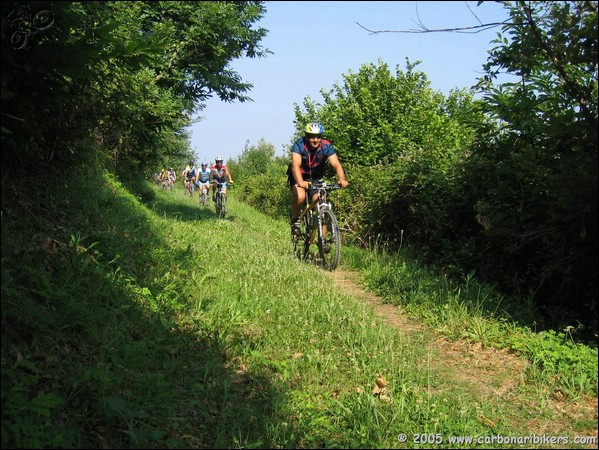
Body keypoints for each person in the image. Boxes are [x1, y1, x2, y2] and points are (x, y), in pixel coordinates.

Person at [288, 122, 349, 236]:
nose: (315, 140)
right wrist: (301, 182)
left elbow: (336, 164)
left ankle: (323, 240)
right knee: (300, 197)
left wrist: (342, 179)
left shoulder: (326, 146)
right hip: (298, 175)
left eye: (318, 137)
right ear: (307, 136)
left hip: (315, 177)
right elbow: (295, 165)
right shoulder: (299, 144)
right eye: (312, 137)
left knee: (321, 203)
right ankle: (296, 220)